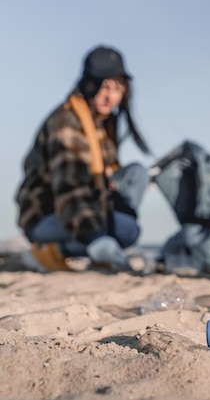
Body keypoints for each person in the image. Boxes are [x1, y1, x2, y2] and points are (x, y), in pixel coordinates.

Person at [15, 45, 152, 271]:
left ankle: (99, 246)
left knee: (137, 172)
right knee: (128, 231)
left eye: (118, 88)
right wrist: (96, 236)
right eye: (105, 86)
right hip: (48, 213)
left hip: (87, 205)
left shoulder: (101, 124)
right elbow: (70, 188)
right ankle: (51, 250)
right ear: (89, 83)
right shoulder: (66, 121)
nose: (111, 96)